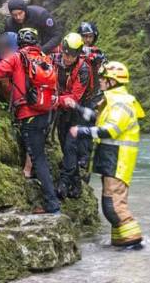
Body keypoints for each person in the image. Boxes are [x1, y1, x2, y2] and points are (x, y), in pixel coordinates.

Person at [0, 28, 60, 214]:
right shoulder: (45, 58)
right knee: (40, 155)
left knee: (38, 158)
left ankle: (52, 205)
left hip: (28, 113)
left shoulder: (17, 58)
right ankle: (50, 200)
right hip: (46, 112)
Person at [71, 62, 145, 248]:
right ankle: (122, 243)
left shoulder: (122, 102)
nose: (101, 82)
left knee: (113, 205)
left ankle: (134, 243)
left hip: (119, 159)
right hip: (111, 157)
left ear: (113, 81)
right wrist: (76, 108)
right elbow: (97, 118)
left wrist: (82, 131)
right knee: (111, 203)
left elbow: (110, 130)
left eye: (104, 79)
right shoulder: (112, 100)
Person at [52, 32, 93, 199]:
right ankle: (76, 184)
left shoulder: (83, 69)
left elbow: (75, 96)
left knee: (70, 147)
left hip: (77, 110)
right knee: (64, 146)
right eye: (66, 53)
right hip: (61, 109)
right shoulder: (54, 59)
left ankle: (64, 183)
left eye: (73, 55)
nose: (68, 57)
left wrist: (55, 99)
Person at [76, 21, 106, 168]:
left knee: (88, 126)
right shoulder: (74, 51)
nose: (87, 40)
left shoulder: (98, 53)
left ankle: (86, 158)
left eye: (90, 37)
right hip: (77, 95)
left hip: (93, 97)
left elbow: (104, 70)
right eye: (84, 37)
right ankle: (80, 156)